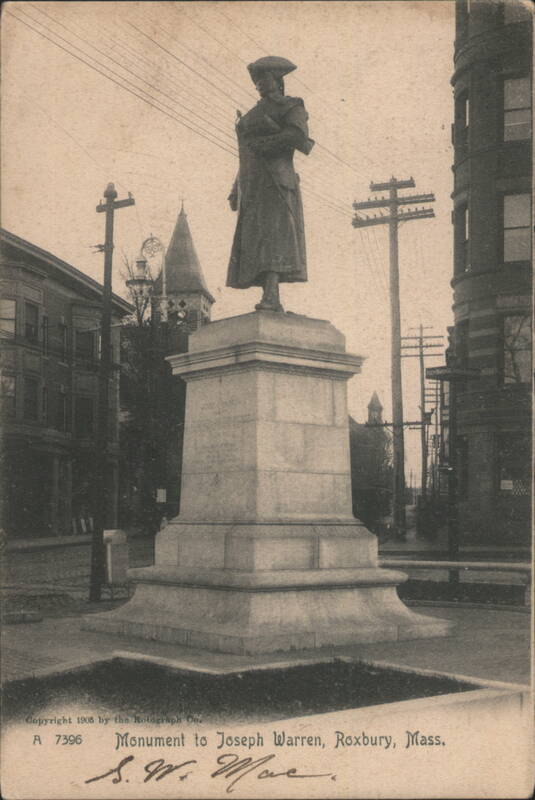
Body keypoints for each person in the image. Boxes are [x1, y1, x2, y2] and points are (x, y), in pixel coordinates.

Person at [227, 56, 314, 311]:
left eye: (263, 78)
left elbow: (298, 136)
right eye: (256, 81)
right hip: (252, 185)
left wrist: (267, 143)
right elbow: (247, 154)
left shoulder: (291, 106)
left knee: (274, 237)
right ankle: (269, 295)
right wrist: (236, 187)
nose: (259, 84)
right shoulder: (252, 115)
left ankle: (272, 296)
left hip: (276, 179)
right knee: (255, 240)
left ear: (276, 79)